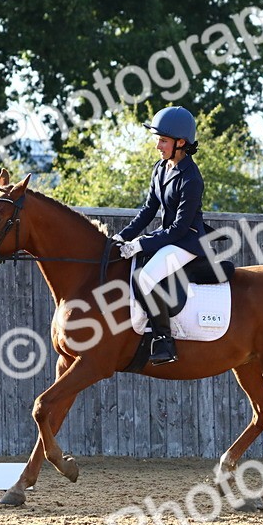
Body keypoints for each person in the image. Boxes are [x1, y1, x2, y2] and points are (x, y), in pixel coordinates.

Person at [115, 106, 206, 365]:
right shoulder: (160, 168)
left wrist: (142, 242)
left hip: (186, 241)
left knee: (147, 277)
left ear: (181, 143)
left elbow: (179, 228)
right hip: (167, 237)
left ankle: (164, 340)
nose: (158, 146)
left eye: (163, 140)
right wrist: (123, 237)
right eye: (158, 140)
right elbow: (148, 210)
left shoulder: (191, 178)